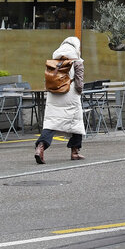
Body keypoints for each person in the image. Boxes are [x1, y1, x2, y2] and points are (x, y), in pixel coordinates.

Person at [35, 36, 86, 164]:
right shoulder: (77, 61)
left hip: (53, 95)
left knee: (51, 123)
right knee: (76, 123)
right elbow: (79, 85)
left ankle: (40, 147)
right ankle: (75, 152)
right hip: (70, 95)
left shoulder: (54, 60)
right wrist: (79, 92)